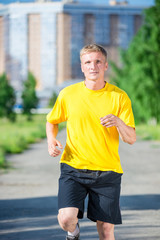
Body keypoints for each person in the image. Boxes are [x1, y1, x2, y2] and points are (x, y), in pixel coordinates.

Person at [46, 44, 136, 240]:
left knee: (106, 231)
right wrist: (51, 139)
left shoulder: (119, 97)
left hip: (107, 171)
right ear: (82, 66)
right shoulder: (68, 94)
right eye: (88, 62)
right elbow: (51, 121)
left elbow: (131, 138)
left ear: (105, 65)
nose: (93, 66)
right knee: (66, 219)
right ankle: (73, 232)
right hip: (73, 167)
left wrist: (119, 122)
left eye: (97, 62)